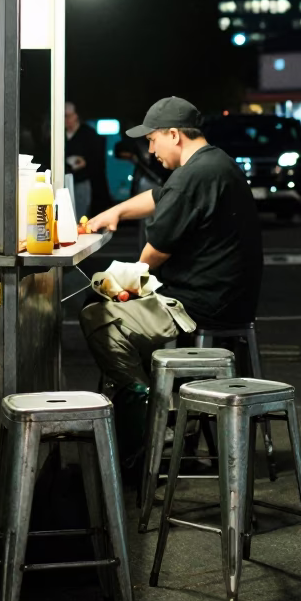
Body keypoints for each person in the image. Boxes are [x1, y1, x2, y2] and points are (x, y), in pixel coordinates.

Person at [80, 94, 263, 406]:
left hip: (201, 303)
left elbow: (152, 256)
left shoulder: (192, 176)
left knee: (97, 315)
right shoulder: (216, 162)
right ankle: (161, 397)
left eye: (153, 140)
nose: (151, 151)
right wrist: (116, 213)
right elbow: (160, 196)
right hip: (230, 297)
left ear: (174, 134)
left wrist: (123, 284)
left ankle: (148, 406)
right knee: (106, 299)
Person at [64, 102, 110, 216]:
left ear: (75, 116)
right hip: (64, 180)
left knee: (81, 217)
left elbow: (98, 160)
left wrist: (85, 162)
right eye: (64, 116)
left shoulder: (89, 134)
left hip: (84, 181)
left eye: (68, 115)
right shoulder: (58, 134)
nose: (66, 119)